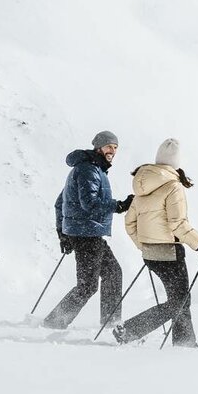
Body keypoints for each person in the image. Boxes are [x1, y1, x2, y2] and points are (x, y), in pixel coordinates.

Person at [112, 138, 198, 347]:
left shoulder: (142, 186)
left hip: (150, 255)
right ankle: (131, 330)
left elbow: (129, 223)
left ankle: (185, 344)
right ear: (177, 162)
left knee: (179, 300)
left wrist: (144, 245)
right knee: (179, 301)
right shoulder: (173, 186)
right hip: (170, 254)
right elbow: (177, 224)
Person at [41, 130, 132, 330]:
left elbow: (60, 203)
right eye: (108, 146)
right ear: (98, 147)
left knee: (113, 273)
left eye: (115, 147)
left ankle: (109, 321)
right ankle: (54, 322)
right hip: (86, 233)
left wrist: (63, 233)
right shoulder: (88, 170)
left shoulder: (90, 168)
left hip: (86, 232)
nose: (112, 151)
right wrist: (119, 205)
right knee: (88, 285)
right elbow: (89, 204)